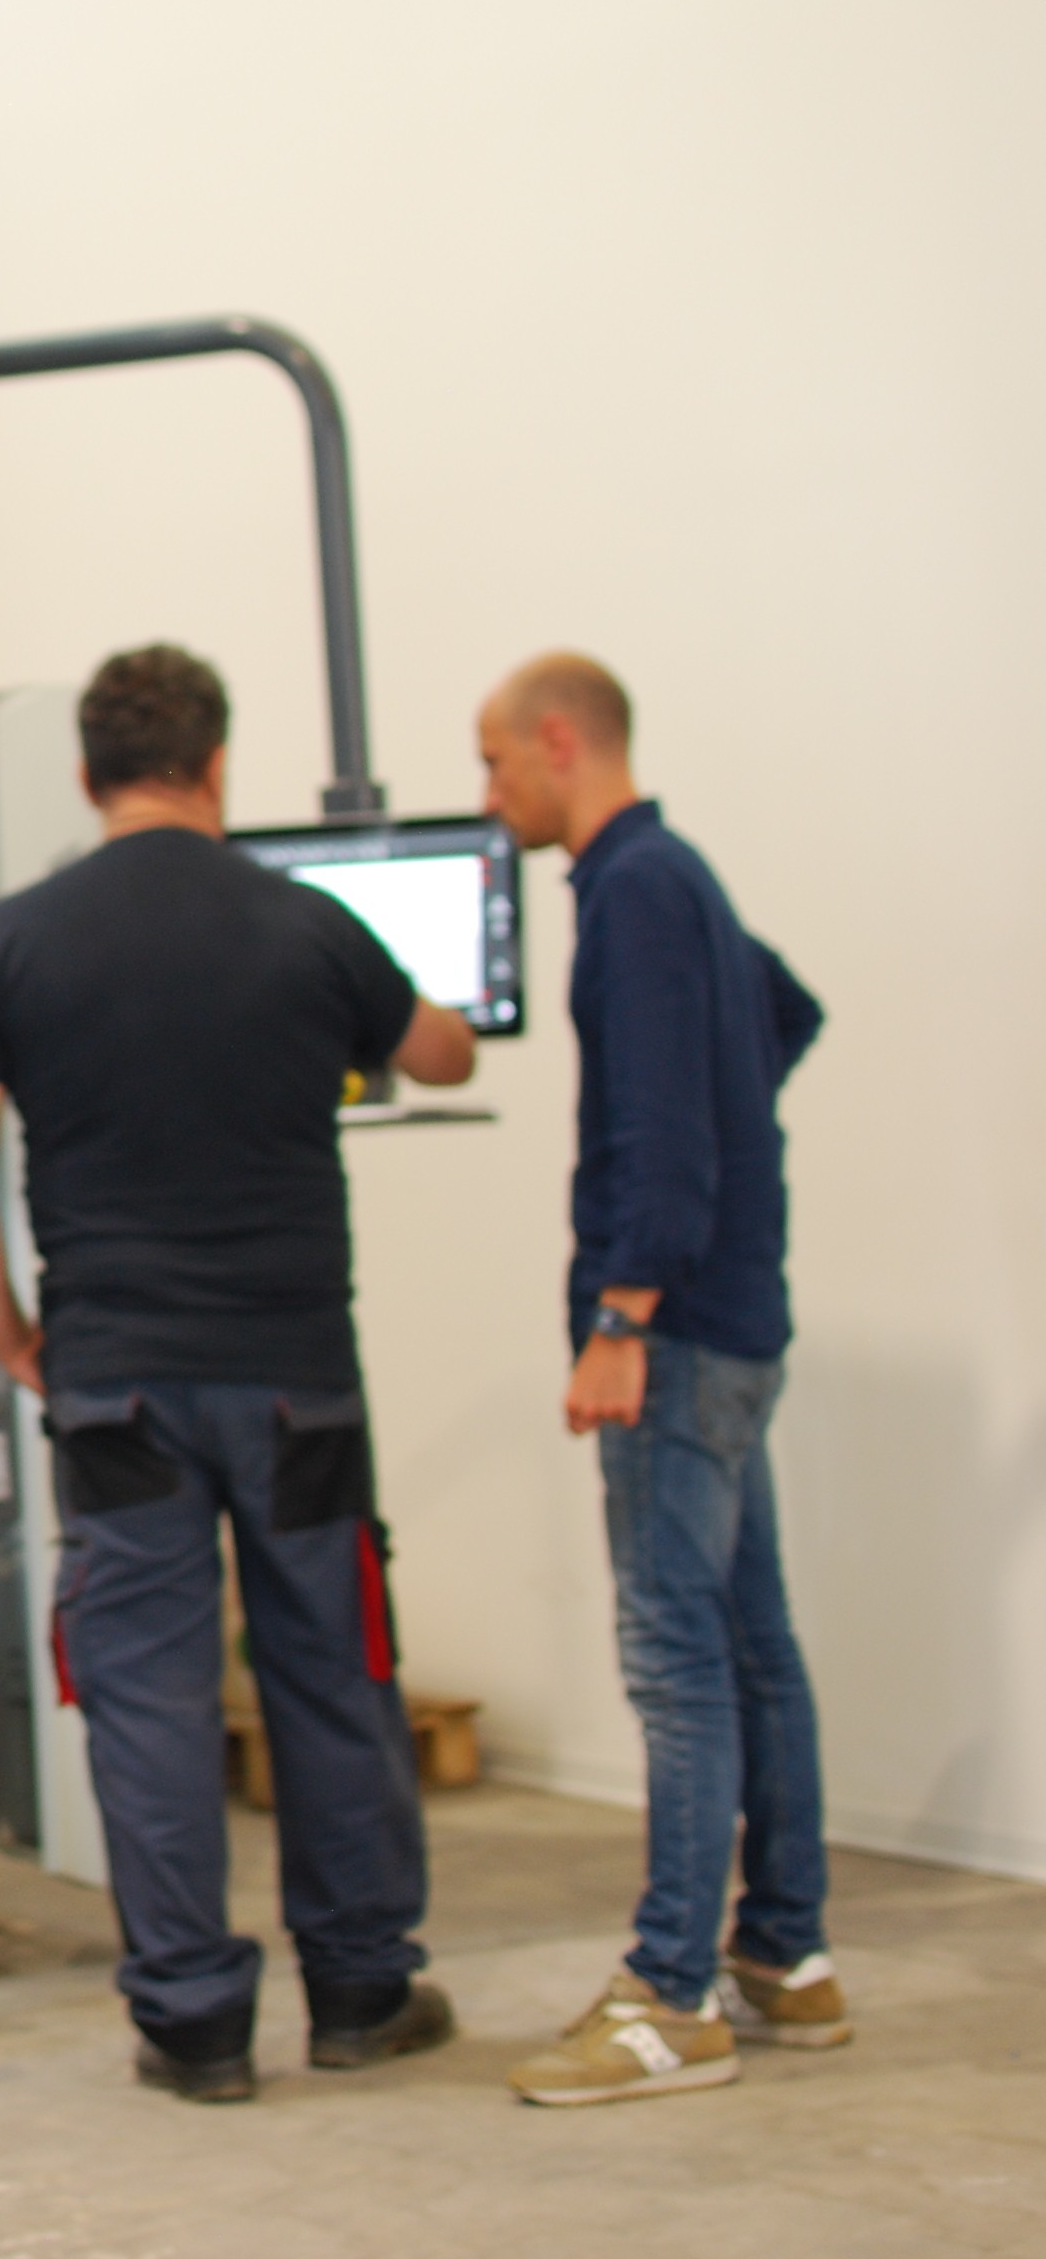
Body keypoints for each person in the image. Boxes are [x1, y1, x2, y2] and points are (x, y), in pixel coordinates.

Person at [0, 643, 477, 2103]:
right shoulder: (310, 923)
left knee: (149, 1697)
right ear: (217, 763)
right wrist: (414, 1014)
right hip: (298, 1379)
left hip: (118, 1388)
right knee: (331, 1672)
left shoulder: (10, 943)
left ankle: (196, 2025)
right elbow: (442, 1055)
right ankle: (360, 1991)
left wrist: (14, 1339)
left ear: (85, 774)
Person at [477, 652, 840, 2107]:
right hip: (736, 1317)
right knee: (753, 1646)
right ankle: (787, 1957)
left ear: (562, 742)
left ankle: (671, 1994)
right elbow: (783, 1017)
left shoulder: (632, 892)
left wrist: (622, 1312)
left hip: (674, 1333)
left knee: (678, 1662)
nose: (490, 791)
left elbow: (662, 1121)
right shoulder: (678, 878)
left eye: (497, 761)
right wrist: (725, 1174)